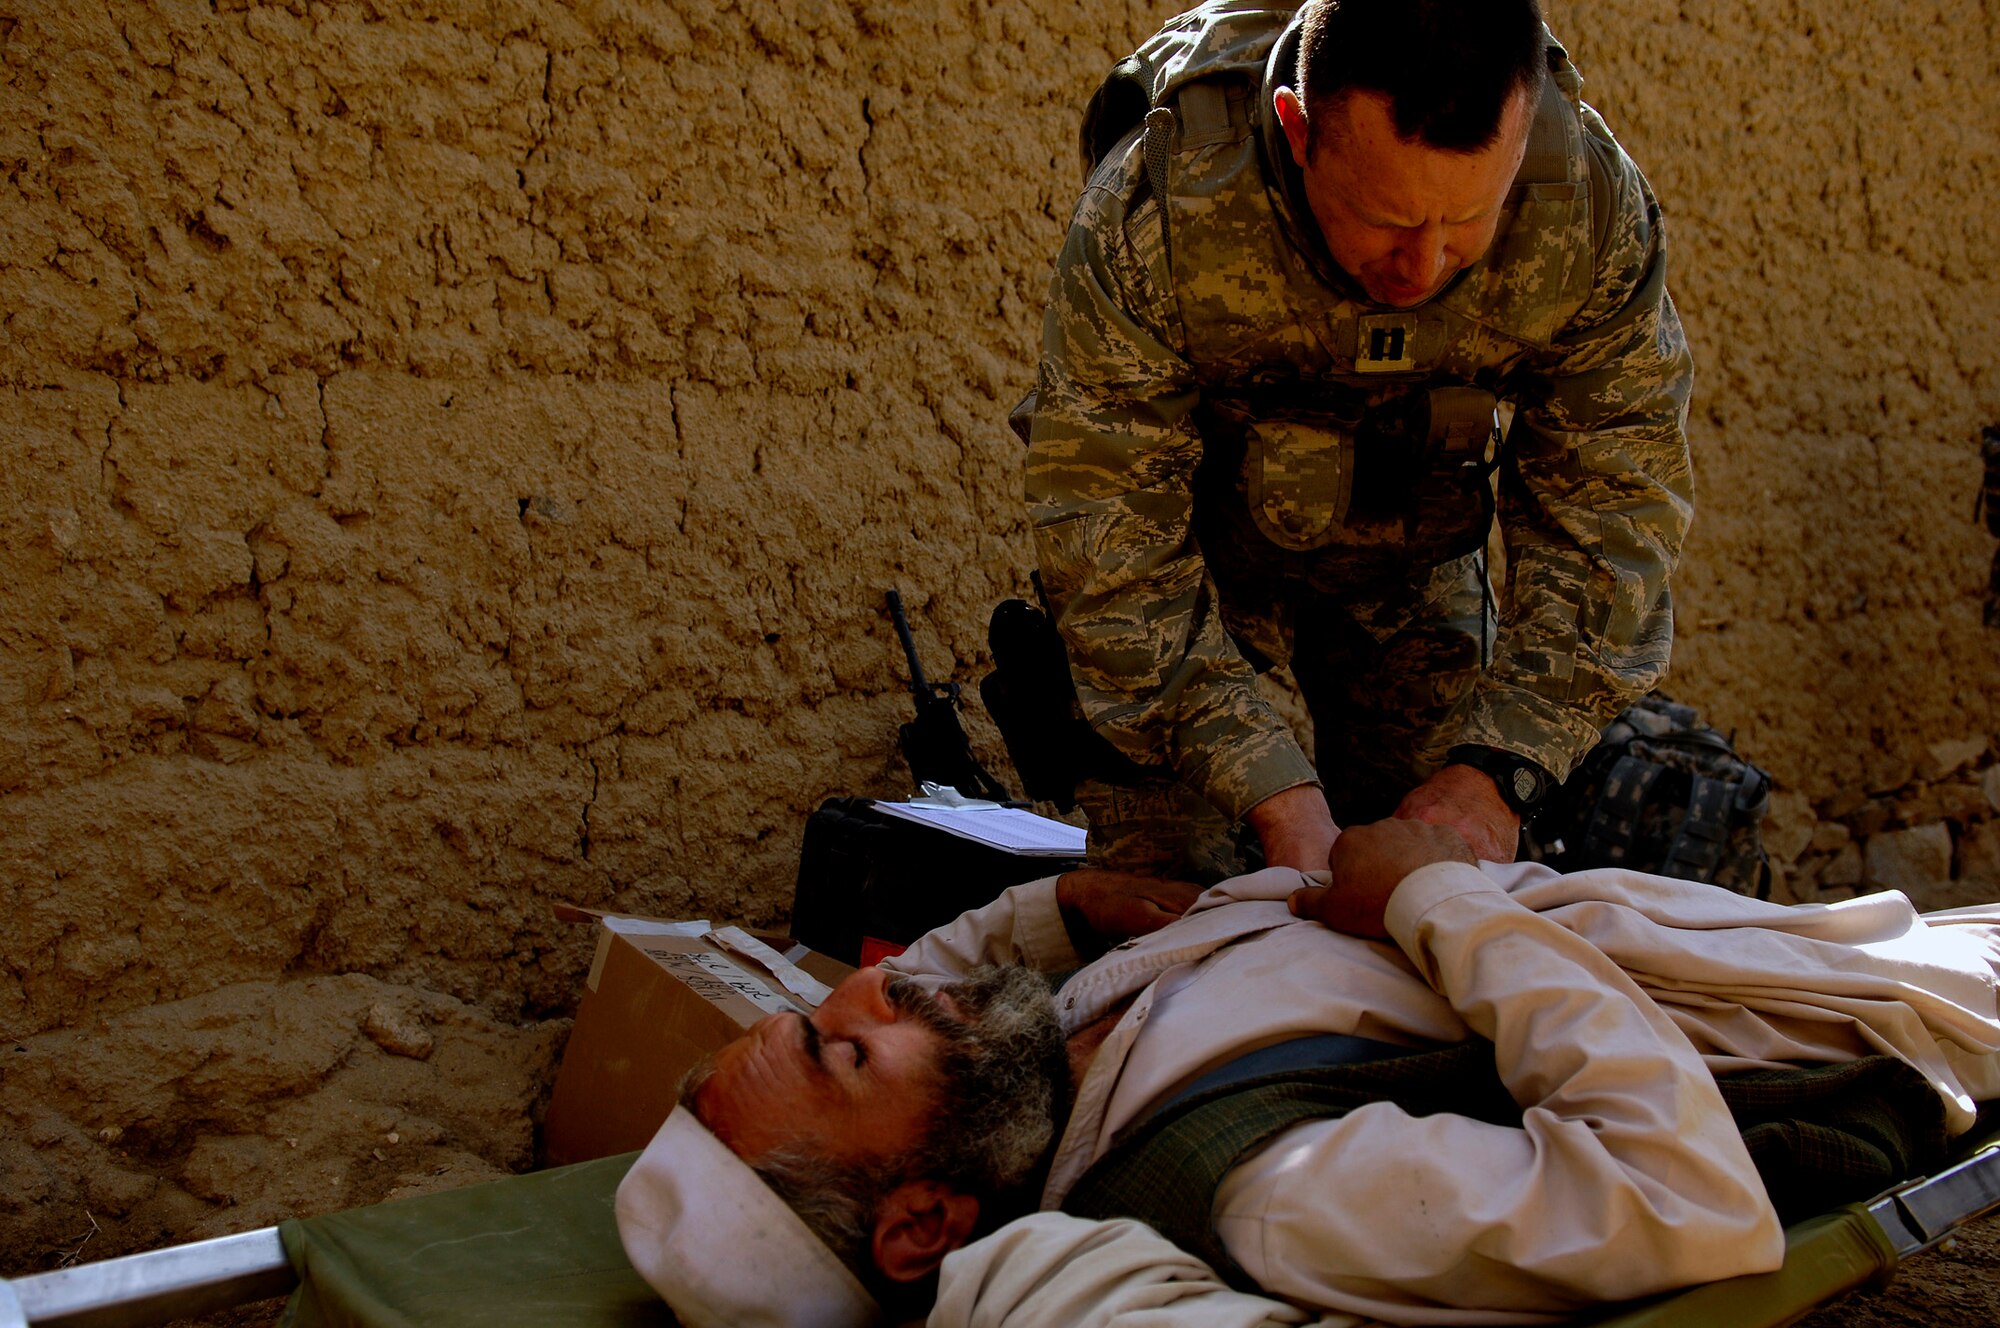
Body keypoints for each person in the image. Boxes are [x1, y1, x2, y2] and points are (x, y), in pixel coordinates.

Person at [616, 823, 2000, 1326]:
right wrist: (1439, 903)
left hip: (1782, 936)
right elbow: (1679, 1196)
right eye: (847, 1043)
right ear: (923, 1223)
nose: (879, 981)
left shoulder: (1012, 1057)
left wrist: (1070, 906)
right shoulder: (1273, 1191)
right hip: (1872, 1015)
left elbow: (936, 966)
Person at [1019, 0, 1695, 879]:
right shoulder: (1161, 210)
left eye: (1464, 226)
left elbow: (1614, 517)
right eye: (1386, 219)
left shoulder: (1590, 213)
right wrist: (1272, 794)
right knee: (1166, 897)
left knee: (1431, 889)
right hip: (1191, 567)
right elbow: (1108, 538)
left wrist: (1501, 771)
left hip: (1412, 553)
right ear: (1298, 132)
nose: (1421, 267)